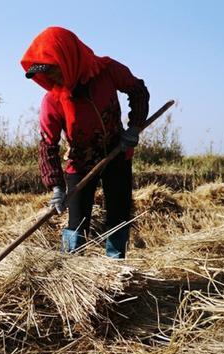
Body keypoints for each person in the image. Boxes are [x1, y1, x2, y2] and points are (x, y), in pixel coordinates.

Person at [21, 26, 149, 258]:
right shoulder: (53, 100)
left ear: (68, 58)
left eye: (55, 71)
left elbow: (137, 90)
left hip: (117, 153)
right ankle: (71, 268)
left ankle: (115, 267)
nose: (53, 79)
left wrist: (134, 127)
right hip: (80, 163)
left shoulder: (107, 71)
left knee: (118, 216)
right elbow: (47, 145)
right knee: (77, 221)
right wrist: (57, 187)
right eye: (48, 74)